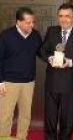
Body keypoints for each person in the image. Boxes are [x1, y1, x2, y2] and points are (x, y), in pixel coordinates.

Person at [41, 3, 73, 140]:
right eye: (61, 16)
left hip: (70, 84)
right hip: (52, 83)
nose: (64, 19)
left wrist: (71, 62)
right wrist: (49, 58)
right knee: (50, 118)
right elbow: (42, 50)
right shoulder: (51, 31)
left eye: (67, 16)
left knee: (67, 119)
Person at [0, 7, 42, 140]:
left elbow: (42, 53)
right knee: (6, 114)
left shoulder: (35, 35)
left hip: (29, 82)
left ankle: (21, 137)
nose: (32, 25)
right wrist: (0, 81)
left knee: (26, 114)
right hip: (9, 82)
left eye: (33, 22)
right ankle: (3, 137)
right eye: (28, 22)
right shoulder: (6, 36)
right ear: (18, 22)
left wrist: (54, 58)